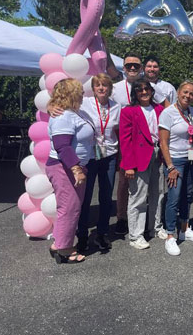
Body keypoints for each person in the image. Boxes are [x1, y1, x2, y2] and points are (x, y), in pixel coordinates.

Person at [45, 79, 94, 264]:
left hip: (75, 167)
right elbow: (62, 146)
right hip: (63, 167)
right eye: (79, 91)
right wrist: (75, 169)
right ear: (71, 93)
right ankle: (64, 249)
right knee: (70, 207)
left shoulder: (75, 112)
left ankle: (58, 243)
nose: (83, 94)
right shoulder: (63, 115)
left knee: (70, 207)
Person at [159, 80, 193, 256]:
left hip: (191, 159)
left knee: (187, 195)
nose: (188, 96)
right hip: (175, 161)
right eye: (185, 92)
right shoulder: (168, 113)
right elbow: (163, 142)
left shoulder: (192, 111)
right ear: (178, 93)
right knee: (174, 198)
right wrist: (170, 166)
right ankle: (170, 236)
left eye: (191, 93)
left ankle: (184, 229)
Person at [76, 74, 120, 252]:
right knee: (85, 197)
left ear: (110, 88)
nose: (101, 88)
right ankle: (82, 236)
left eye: (105, 85)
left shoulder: (117, 106)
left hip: (109, 154)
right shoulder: (84, 103)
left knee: (106, 196)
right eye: (98, 85)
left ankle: (102, 233)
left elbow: (119, 129)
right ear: (93, 88)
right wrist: (52, 109)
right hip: (89, 156)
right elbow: (63, 106)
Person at [119, 79, 164, 250]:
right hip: (138, 158)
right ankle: (136, 235)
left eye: (146, 89)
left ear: (151, 91)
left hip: (158, 154)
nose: (144, 92)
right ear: (135, 93)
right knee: (138, 197)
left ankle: (155, 227)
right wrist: (128, 165)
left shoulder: (159, 109)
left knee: (158, 193)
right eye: (139, 90)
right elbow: (125, 140)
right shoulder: (128, 111)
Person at [111, 53, 143, 236]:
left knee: (143, 180)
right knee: (123, 180)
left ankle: (139, 215)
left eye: (136, 65)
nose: (132, 68)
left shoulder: (147, 87)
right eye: (129, 65)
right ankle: (122, 217)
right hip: (122, 140)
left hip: (142, 140)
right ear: (123, 67)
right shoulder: (114, 89)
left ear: (141, 68)